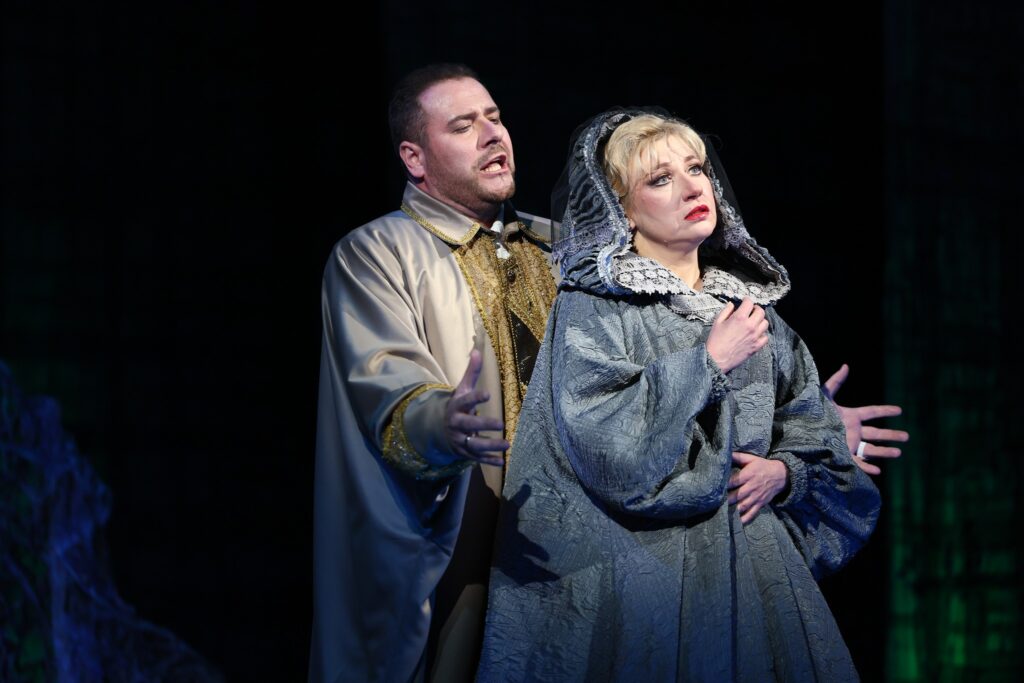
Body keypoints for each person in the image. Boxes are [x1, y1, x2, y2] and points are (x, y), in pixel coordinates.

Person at [310, 65, 906, 683]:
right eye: (463, 126)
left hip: (596, 540)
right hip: (469, 528)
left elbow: (683, 363)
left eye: (495, 117)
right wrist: (445, 423)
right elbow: (385, 387)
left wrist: (794, 427)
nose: (492, 135)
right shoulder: (381, 253)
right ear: (414, 157)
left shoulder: (571, 252)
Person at [477, 110, 882, 681]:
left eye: (696, 169)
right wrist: (706, 363)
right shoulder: (596, 307)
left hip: (754, 572)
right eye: (660, 179)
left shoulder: (753, 313)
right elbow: (605, 446)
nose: (693, 188)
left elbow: (809, 428)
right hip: (645, 580)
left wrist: (784, 473)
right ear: (622, 209)